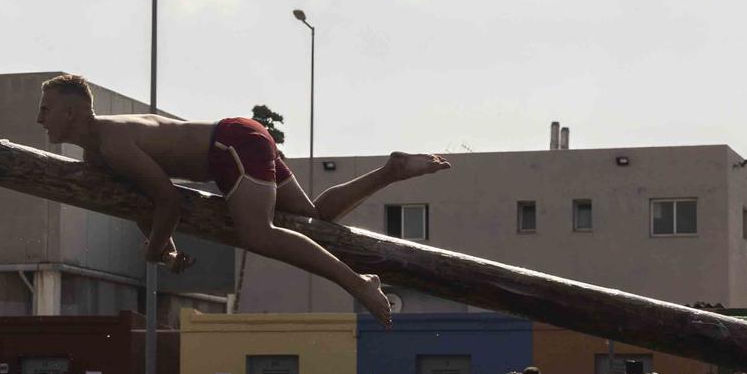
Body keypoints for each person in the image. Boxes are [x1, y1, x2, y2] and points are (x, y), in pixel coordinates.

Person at [34, 73, 448, 325]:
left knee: (258, 234)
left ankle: (359, 284)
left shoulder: (112, 142)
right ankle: (391, 170)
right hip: (238, 138)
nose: (39, 119)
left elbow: (169, 202)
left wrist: (154, 250)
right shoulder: (99, 149)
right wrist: (169, 251)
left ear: (71, 114)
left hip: (228, 145)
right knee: (314, 218)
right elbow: (144, 200)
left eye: (46, 109)